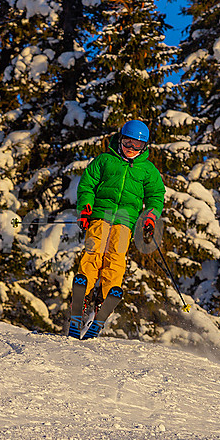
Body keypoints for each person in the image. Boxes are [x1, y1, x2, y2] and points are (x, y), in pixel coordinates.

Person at [68, 119, 165, 339]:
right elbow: (87, 185)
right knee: (94, 251)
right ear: (120, 139)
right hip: (100, 215)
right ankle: (82, 296)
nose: (131, 149)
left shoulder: (148, 170)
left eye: (137, 146)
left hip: (125, 221)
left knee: (116, 258)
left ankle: (105, 297)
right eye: (128, 143)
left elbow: (155, 197)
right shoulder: (104, 160)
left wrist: (150, 216)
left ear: (144, 147)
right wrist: (85, 208)